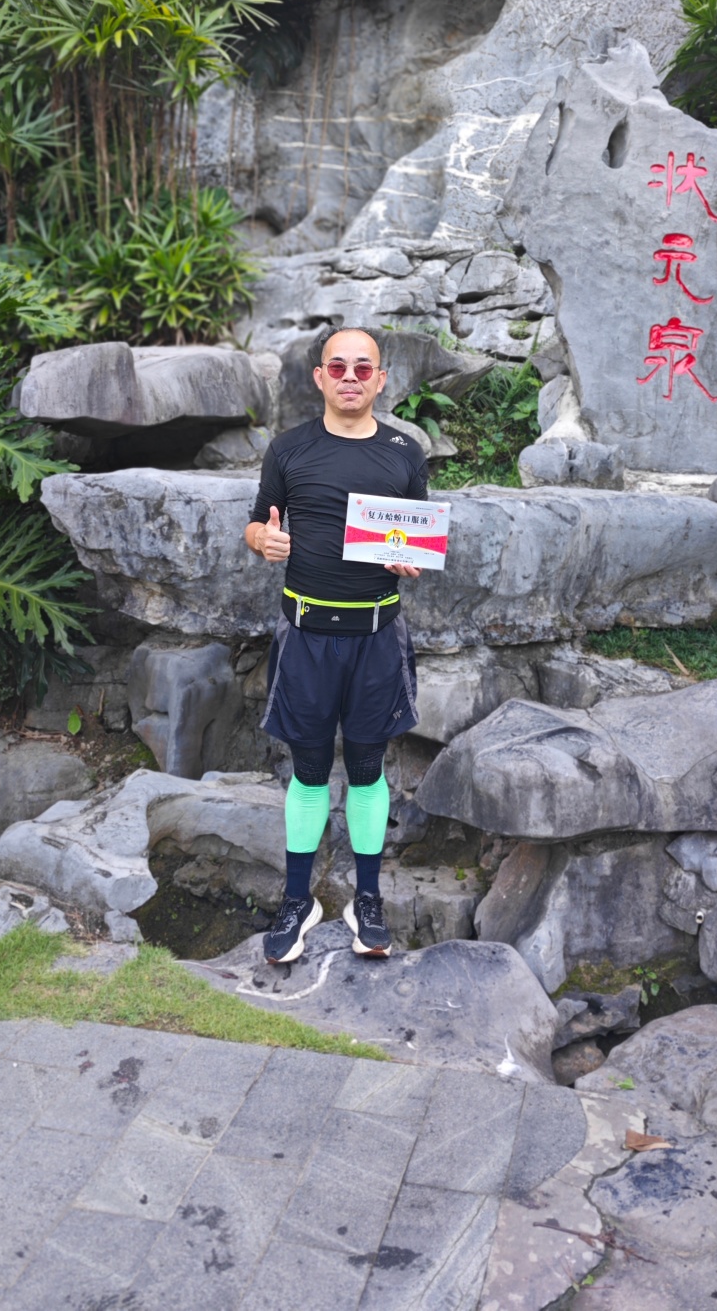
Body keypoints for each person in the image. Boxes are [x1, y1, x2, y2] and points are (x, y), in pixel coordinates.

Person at [244, 326, 427, 964]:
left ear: (381, 379)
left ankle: (366, 898)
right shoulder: (289, 449)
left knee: (369, 767)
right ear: (320, 377)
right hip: (306, 635)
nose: (351, 377)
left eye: (363, 368)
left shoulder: (405, 452)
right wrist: (263, 541)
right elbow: (257, 521)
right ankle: (298, 899)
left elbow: (415, 537)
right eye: (339, 367)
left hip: (376, 636)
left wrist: (408, 559)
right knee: (310, 769)